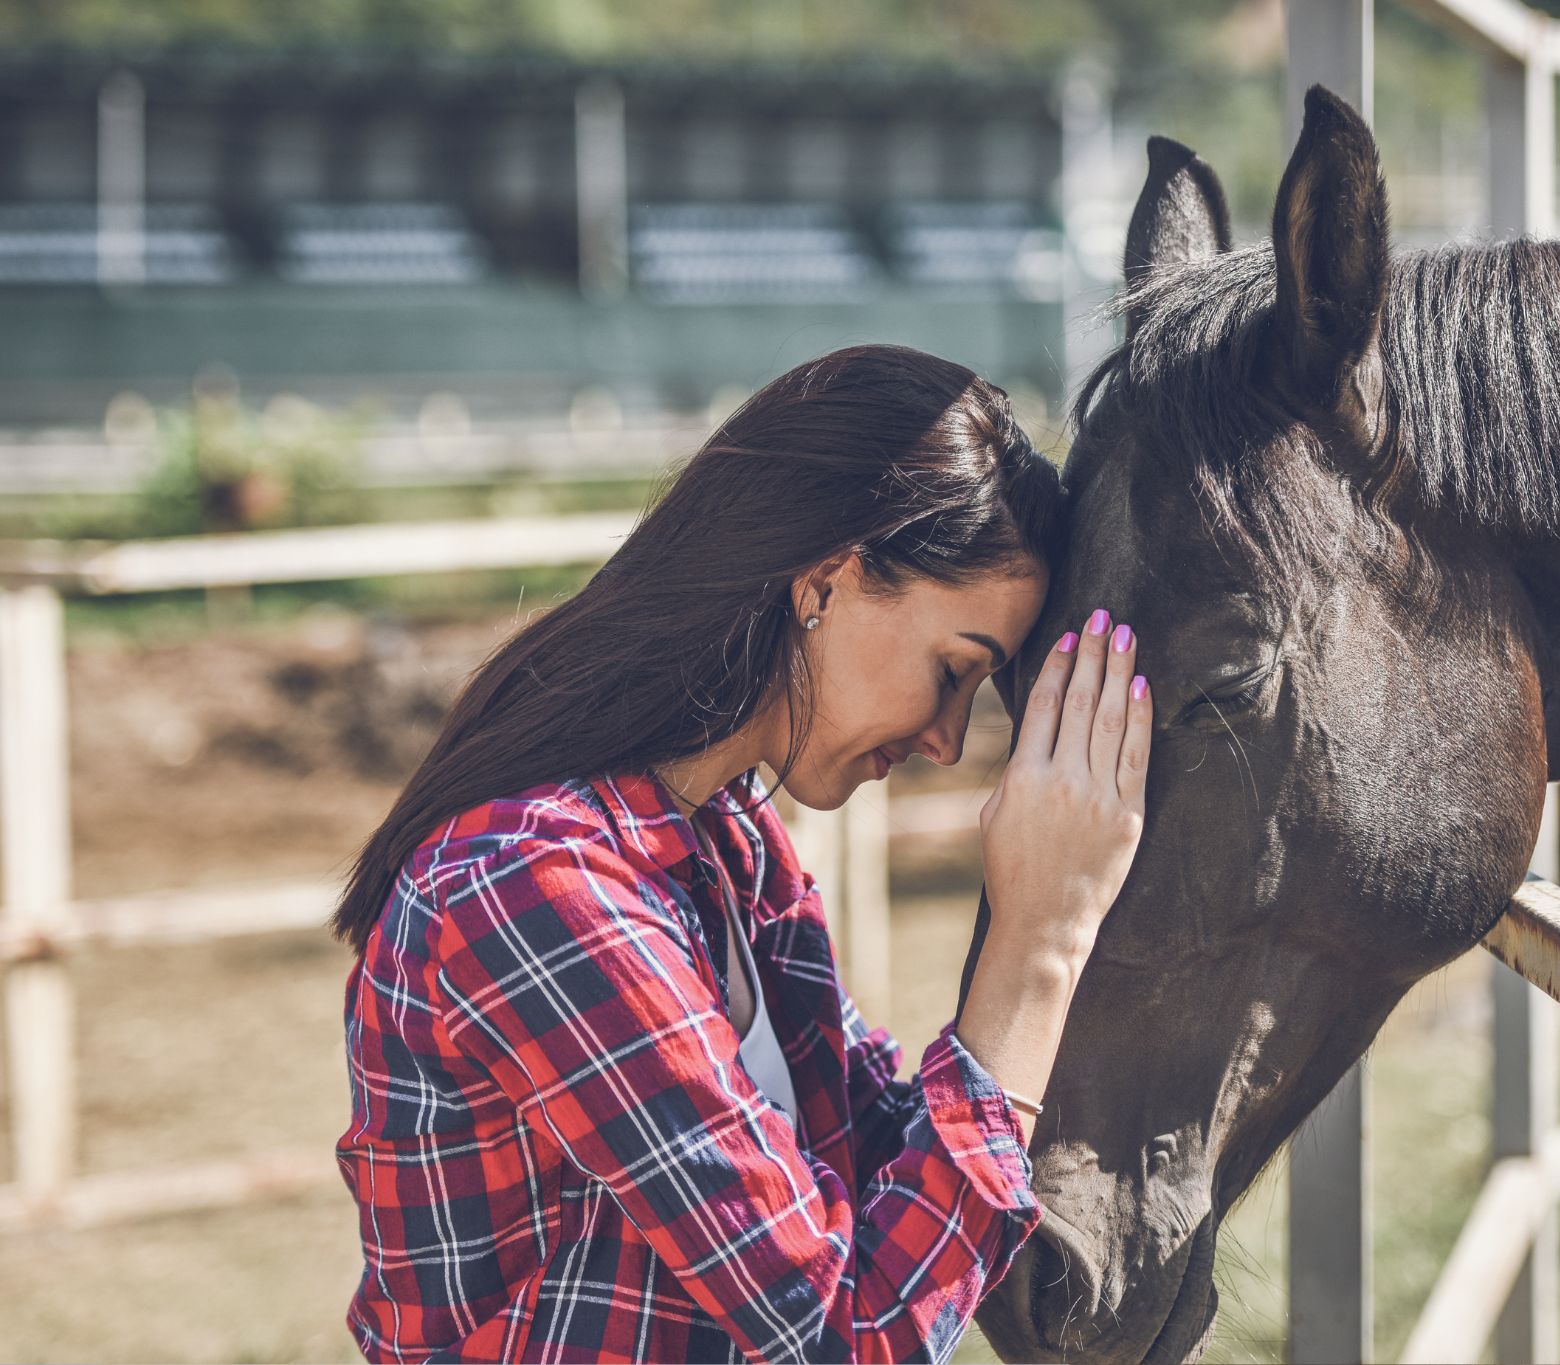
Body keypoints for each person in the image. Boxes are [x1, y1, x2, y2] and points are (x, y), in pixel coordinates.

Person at [328, 344, 1152, 1363]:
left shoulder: (726, 850)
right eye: (951, 670)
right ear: (826, 581)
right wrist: (1037, 945)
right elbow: (847, 1337)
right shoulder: (535, 886)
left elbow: (866, 1163)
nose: (945, 739)